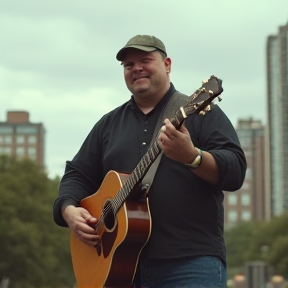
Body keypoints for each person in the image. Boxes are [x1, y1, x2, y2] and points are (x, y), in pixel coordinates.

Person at [53, 34, 247, 288]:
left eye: (145, 60)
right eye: (128, 65)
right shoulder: (108, 124)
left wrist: (193, 157)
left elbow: (235, 170)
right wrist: (69, 210)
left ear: (167, 64)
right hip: (117, 268)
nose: (137, 68)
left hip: (191, 263)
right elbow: (77, 173)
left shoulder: (200, 111)